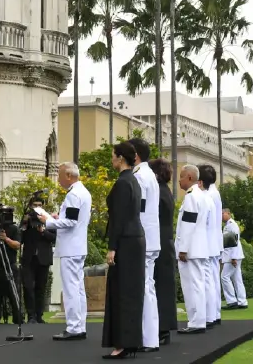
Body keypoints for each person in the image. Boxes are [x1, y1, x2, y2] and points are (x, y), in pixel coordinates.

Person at [102, 141, 145, 359]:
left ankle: (122, 343)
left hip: (126, 242)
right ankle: (130, 341)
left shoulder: (122, 183)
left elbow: (118, 218)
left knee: (122, 292)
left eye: (113, 156)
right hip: (136, 239)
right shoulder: (133, 181)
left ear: (120, 158)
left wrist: (112, 247)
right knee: (132, 292)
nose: (111, 160)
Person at [44, 161, 91, 342]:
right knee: (78, 288)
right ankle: (79, 325)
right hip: (78, 246)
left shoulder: (73, 194)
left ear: (69, 176)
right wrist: (59, 217)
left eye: (60, 175)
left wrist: (47, 221)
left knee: (71, 289)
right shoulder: (83, 192)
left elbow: (70, 222)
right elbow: (74, 218)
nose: (58, 179)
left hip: (70, 247)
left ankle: (73, 327)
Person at [129, 138, 161, 352]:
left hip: (142, 239)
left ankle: (148, 339)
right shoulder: (149, 175)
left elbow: (137, 210)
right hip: (149, 237)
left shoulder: (140, 177)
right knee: (147, 287)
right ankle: (148, 337)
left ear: (135, 155)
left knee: (144, 288)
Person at [176, 163, 213, 334]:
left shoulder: (191, 196)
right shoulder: (203, 195)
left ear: (190, 177)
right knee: (199, 284)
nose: (179, 180)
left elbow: (189, 224)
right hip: (199, 247)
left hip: (191, 249)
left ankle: (196, 321)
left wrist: (183, 249)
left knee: (193, 285)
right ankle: (199, 319)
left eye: (181, 177)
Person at [149, 158, 178, 345]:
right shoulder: (165, 191)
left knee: (159, 286)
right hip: (165, 241)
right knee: (164, 286)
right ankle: (163, 328)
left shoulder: (157, 193)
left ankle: (161, 328)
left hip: (159, 242)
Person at [19, 192, 55, 324]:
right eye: (35, 205)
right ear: (30, 206)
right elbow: (19, 237)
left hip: (43, 258)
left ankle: (39, 315)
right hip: (29, 258)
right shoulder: (26, 220)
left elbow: (54, 237)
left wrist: (43, 231)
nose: (37, 208)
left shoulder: (48, 219)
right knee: (28, 287)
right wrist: (25, 223)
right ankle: (31, 315)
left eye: (40, 205)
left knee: (40, 287)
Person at [199, 165, 224, 326]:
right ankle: (214, 313)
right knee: (213, 280)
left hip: (208, 242)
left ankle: (210, 315)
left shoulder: (208, 195)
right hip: (214, 241)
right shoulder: (215, 193)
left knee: (208, 280)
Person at [220, 208, 247, 309]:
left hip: (232, 256)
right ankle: (242, 301)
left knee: (224, 277)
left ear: (228, 214)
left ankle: (232, 301)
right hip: (232, 256)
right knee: (237, 279)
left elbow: (234, 241)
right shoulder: (228, 225)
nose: (222, 216)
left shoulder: (231, 224)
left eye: (223, 213)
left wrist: (233, 257)